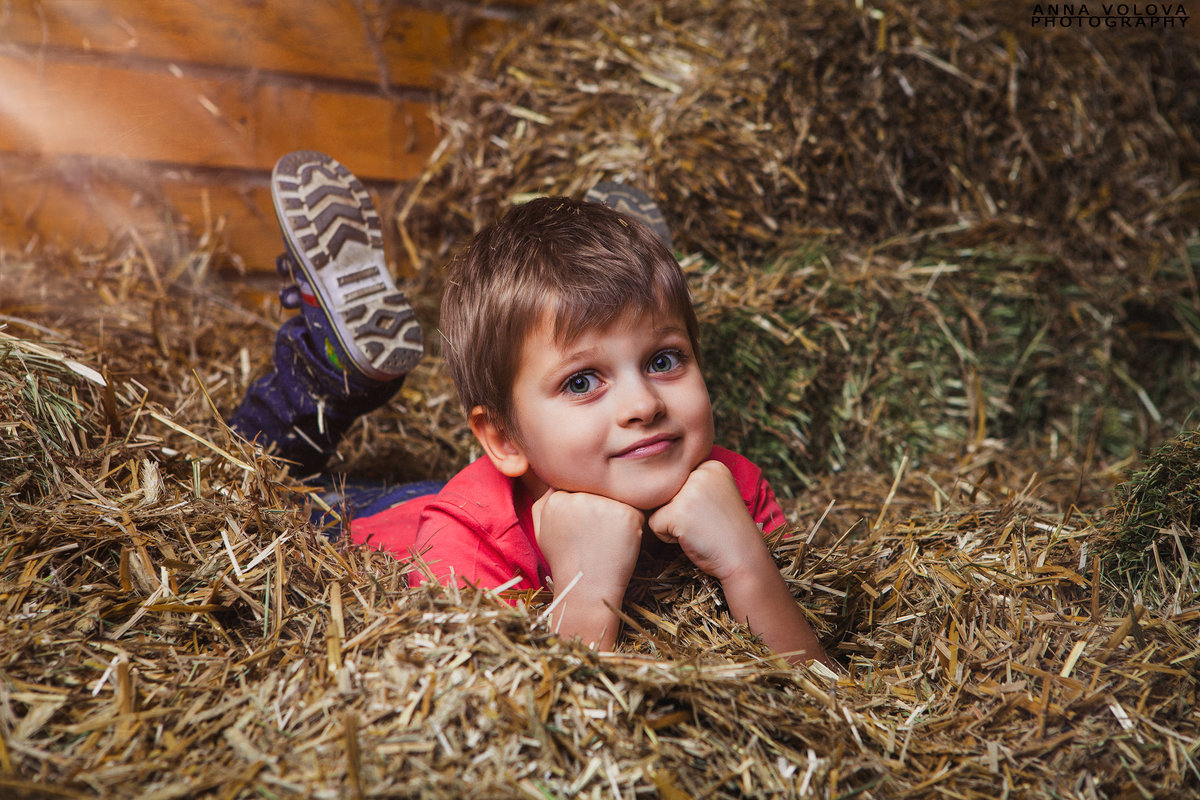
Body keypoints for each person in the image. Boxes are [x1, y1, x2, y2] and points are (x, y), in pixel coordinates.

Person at [232, 151, 831, 667]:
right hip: (356, 519)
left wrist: (749, 565)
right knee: (242, 471)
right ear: (505, 439)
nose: (645, 404)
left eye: (663, 361)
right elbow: (518, 745)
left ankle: (607, 276)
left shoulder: (734, 487)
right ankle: (323, 364)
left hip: (505, 483)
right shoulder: (461, 547)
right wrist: (584, 591)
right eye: (581, 382)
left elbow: (830, 703)